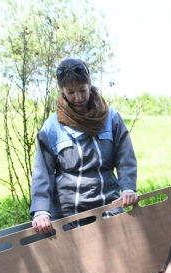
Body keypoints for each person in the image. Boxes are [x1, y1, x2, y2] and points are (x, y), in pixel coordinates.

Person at [30, 58, 138, 234]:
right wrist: (41, 210)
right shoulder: (52, 126)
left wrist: (128, 188)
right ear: (61, 90)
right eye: (70, 92)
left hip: (108, 202)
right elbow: (43, 172)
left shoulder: (111, 118)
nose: (78, 98)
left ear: (89, 83)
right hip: (69, 210)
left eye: (82, 90)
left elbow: (125, 157)